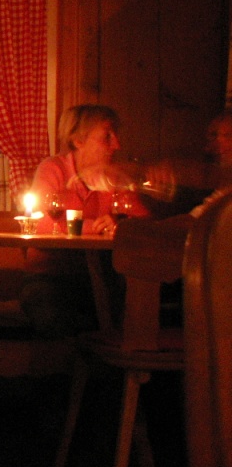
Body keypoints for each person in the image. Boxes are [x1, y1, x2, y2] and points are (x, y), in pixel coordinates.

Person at [23, 105, 152, 338]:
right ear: (78, 140)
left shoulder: (114, 177)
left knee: (131, 308)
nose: (117, 145)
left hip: (103, 276)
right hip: (52, 275)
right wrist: (95, 227)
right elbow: (40, 223)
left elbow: (143, 223)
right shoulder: (54, 169)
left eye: (115, 135)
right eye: (107, 136)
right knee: (51, 313)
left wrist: (120, 226)